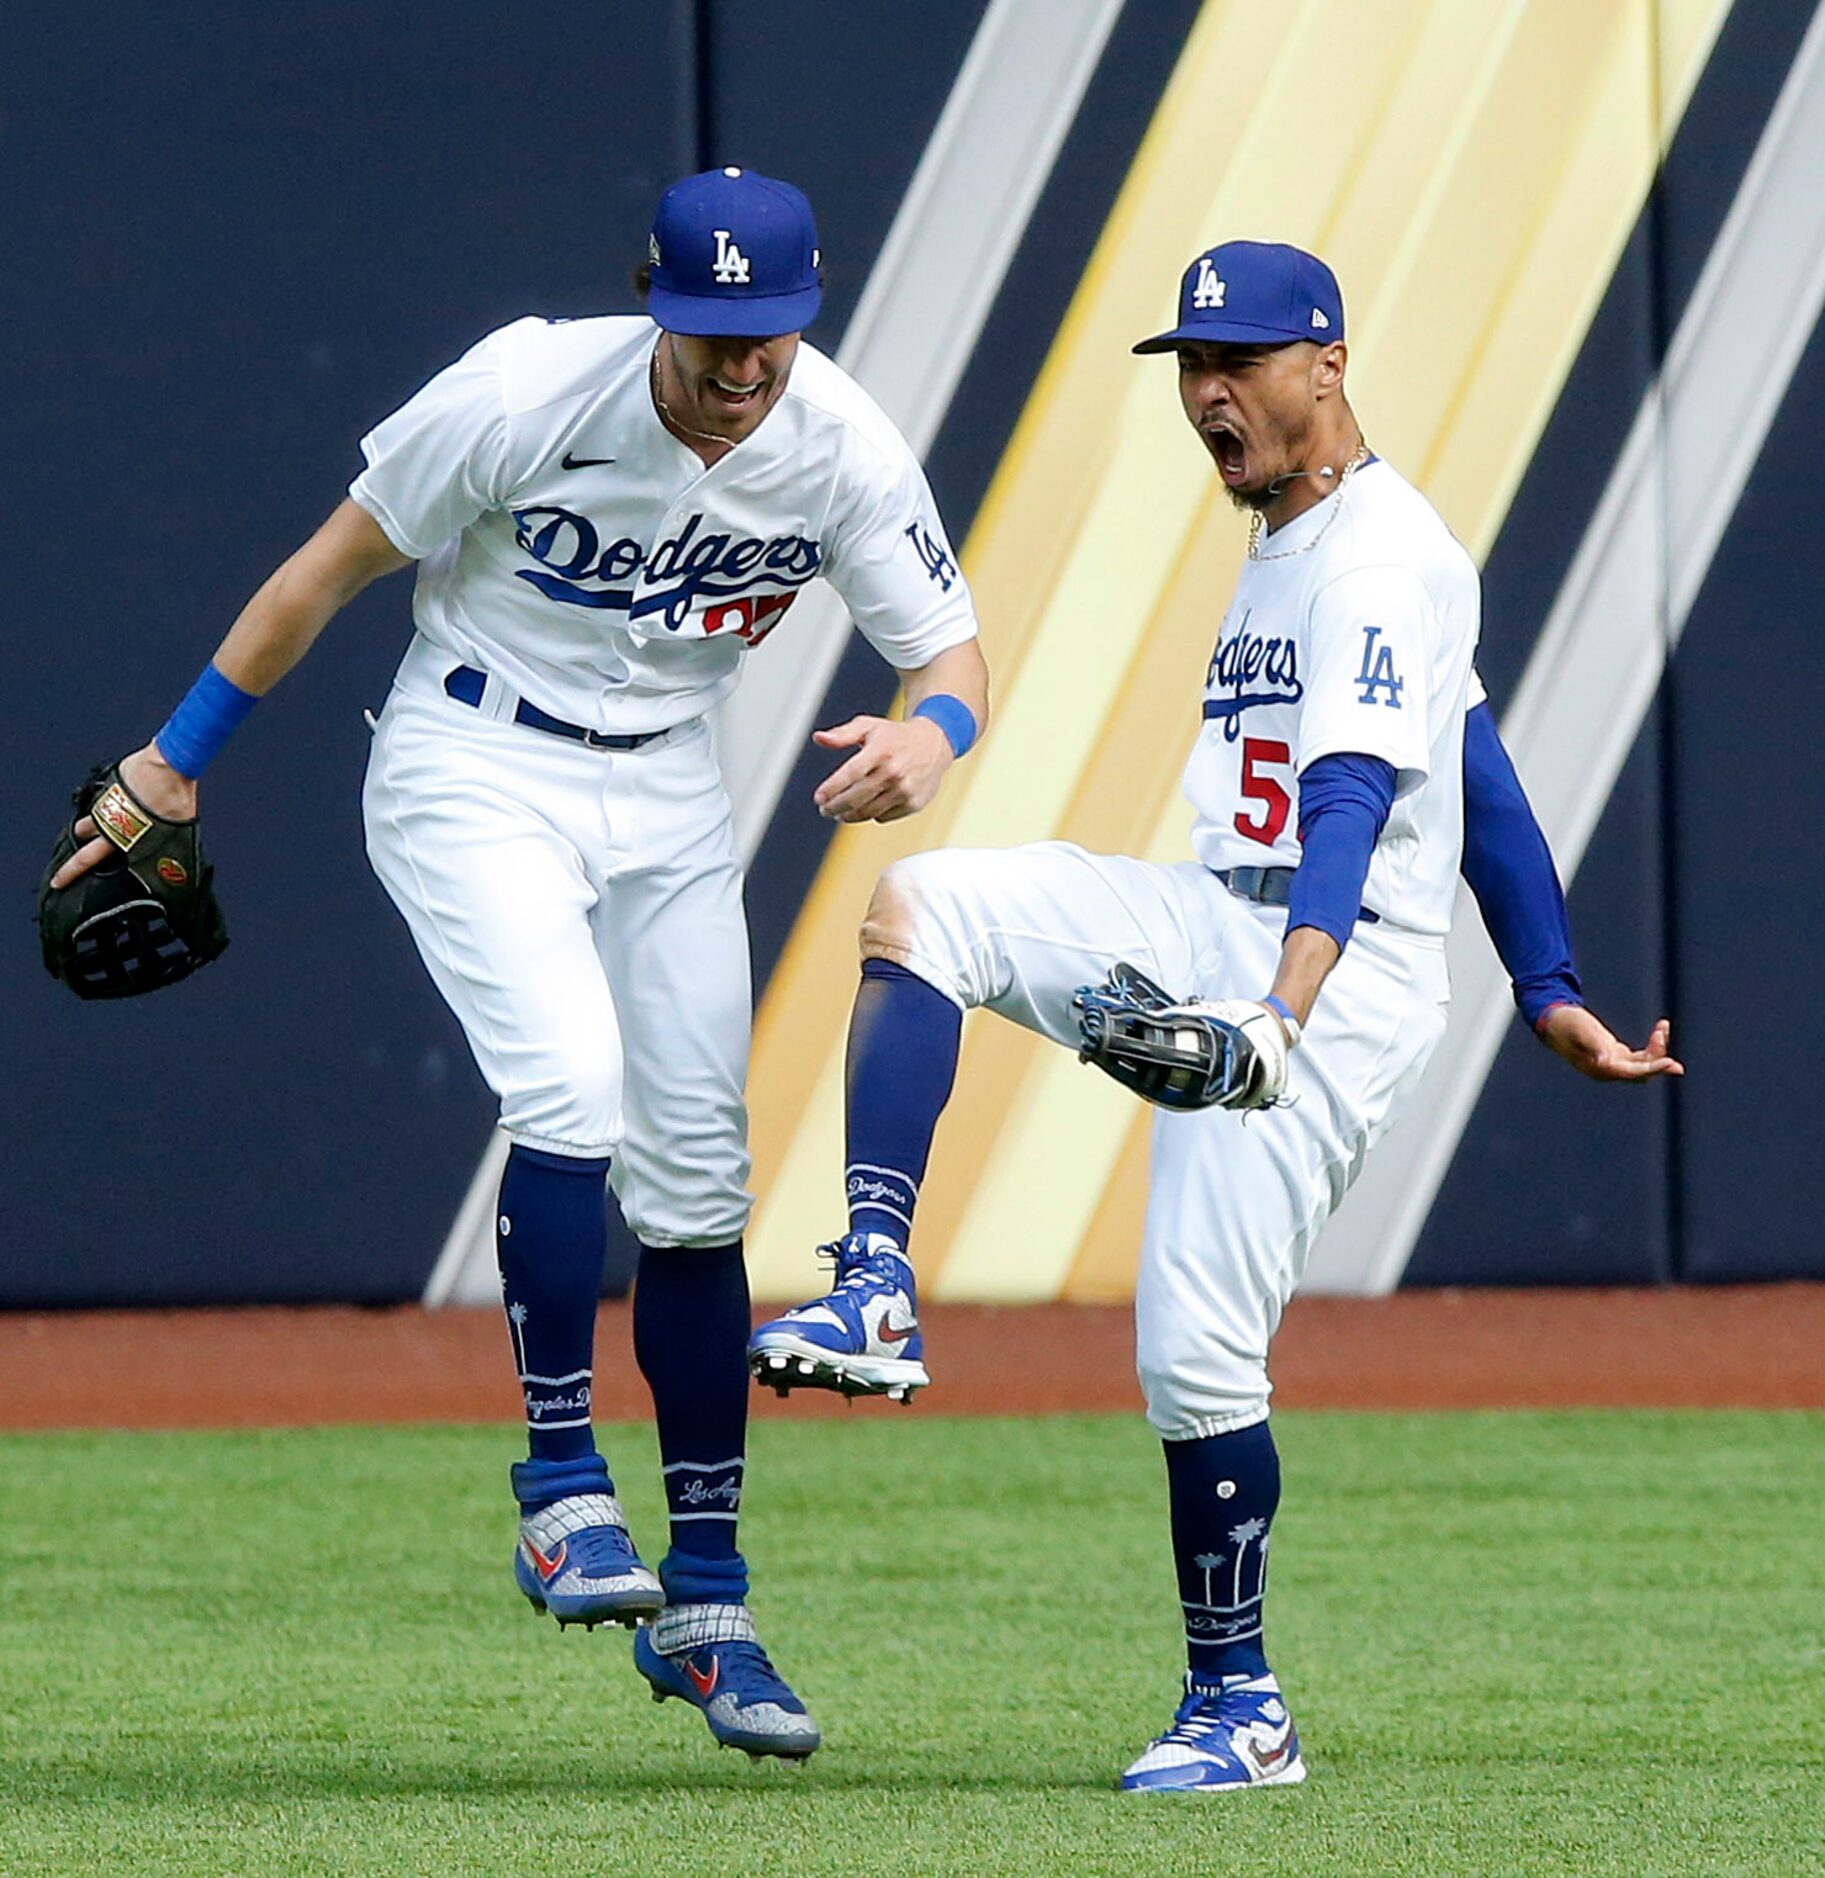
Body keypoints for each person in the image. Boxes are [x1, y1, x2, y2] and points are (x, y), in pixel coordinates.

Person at [50, 167, 990, 1761]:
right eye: (711, 336)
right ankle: (560, 1486)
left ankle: (707, 1601)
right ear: (655, 307)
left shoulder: (839, 441)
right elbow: (325, 570)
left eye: (767, 332)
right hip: (471, 758)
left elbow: (952, 653)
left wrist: (932, 732)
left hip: (669, 783)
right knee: (569, 1085)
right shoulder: (525, 387)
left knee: (699, 1179)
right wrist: (174, 757)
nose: (741, 366)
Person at [749, 240, 1679, 1791]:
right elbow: (1481, 766)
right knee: (925, 910)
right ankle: (873, 1282)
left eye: (1236, 361)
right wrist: (1551, 985)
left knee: (1191, 1358)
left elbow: (1354, 793)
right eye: (1189, 363)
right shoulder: (1297, 535)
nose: (1205, 393)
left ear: (1326, 363)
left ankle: (1239, 1706)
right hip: (1215, 911)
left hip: (1340, 963)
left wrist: (1283, 1009)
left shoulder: (1379, 555)